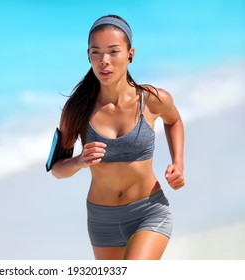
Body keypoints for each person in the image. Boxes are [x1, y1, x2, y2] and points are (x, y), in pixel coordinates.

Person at [49, 15, 185, 260]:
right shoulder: (77, 109)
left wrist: (178, 163)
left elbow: (173, 120)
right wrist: (80, 161)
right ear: (88, 56)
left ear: (130, 54)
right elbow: (57, 170)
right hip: (102, 220)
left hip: (149, 210)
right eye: (96, 52)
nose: (104, 61)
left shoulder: (153, 99)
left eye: (113, 52)